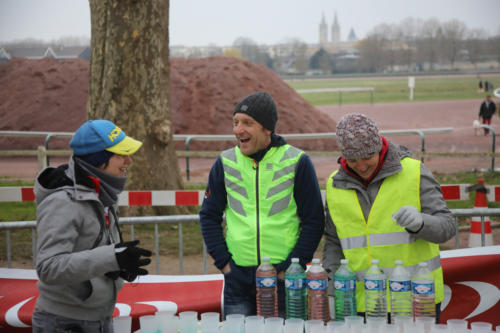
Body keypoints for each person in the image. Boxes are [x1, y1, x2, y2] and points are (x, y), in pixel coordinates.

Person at [199, 91, 325, 317]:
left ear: (267, 128)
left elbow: (314, 220)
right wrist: (224, 263)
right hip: (237, 279)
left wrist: (290, 268)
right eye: (235, 123)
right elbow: (209, 215)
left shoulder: (297, 161)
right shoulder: (225, 162)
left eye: (248, 123)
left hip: (283, 279)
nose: (238, 130)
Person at [322, 113, 456, 322]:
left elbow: (447, 227)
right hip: (360, 305)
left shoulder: (414, 172)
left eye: (367, 157)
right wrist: (332, 290)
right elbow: (333, 242)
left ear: (379, 148)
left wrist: (421, 223)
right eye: (352, 159)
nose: (361, 165)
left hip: (414, 300)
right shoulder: (334, 183)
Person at [32, 120, 152, 333]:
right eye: (120, 155)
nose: (129, 160)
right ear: (98, 160)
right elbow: (49, 267)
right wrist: (111, 257)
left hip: (98, 317)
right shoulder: (62, 201)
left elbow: (92, 251)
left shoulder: (103, 192)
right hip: (64, 323)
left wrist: (117, 267)